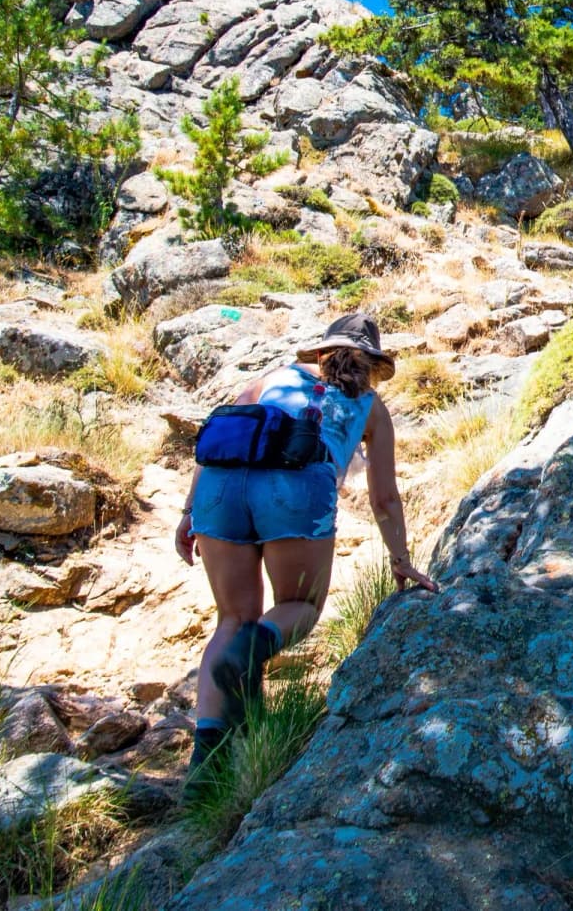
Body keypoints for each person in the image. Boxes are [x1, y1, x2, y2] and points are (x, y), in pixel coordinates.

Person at [173, 312, 435, 770]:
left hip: (220, 485)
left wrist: (187, 510)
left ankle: (208, 769)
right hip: (295, 485)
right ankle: (246, 655)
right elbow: (386, 498)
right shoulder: (370, 407)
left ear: (320, 353)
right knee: (301, 606)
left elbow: (222, 428)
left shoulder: (271, 377)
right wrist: (401, 559)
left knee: (233, 618)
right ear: (371, 363)